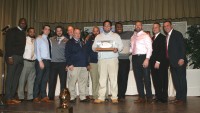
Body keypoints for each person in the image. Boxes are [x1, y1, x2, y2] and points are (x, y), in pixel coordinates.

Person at [92, 20, 123, 104]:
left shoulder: (116, 36)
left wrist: (117, 49)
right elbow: (93, 47)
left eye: (108, 25)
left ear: (111, 27)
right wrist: (96, 48)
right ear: (103, 27)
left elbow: (121, 46)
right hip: (102, 60)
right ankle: (101, 97)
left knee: (113, 79)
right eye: (105, 26)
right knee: (102, 79)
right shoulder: (98, 36)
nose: (107, 27)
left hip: (113, 60)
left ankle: (114, 97)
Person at [163, 20, 187, 104]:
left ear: (171, 26)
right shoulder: (167, 36)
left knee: (181, 81)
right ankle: (178, 97)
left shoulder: (177, 34)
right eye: (164, 26)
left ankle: (183, 99)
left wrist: (181, 58)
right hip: (172, 63)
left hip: (179, 62)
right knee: (176, 81)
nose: (166, 27)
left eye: (167, 25)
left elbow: (182, 47)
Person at [5, 18, 27, 104]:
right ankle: (7, 98)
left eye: (24, 23)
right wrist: (10, 56)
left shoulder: (23, 32)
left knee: (16, 78)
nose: (23, 24)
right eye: (22, 23)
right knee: (10, 77)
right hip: (13, 56)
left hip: (20, 58)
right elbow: (8, 43)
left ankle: (12, 96)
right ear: (19, 23)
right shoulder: (12, 30)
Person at [65, 28, 90, 103]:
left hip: (83, 65)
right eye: (76, 33)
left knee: (83, 82)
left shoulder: (82, 42)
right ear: (73, 34)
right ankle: (72, 97)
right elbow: (67, 54)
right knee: (72, 82)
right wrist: (69, 64)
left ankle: (82, 97)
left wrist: (87, 64)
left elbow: (85, 54)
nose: (78, 35)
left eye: (79, 33)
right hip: (74, 66)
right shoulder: (69, 42)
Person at [130, 21, 153, 103]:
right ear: (135, 26)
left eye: (139, 25)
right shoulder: (133, 37)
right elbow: (132, 49)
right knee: (138, 78)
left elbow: (150, 48)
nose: (138, 26)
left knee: (146, 78)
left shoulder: (146, 36)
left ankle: (149, 97)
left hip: (143, 57)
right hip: (135, 58)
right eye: (136, 25)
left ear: (142, 26)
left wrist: (147, 59)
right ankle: (141, 97)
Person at [150, 22, 169, 103]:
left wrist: (158, 61)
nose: (154, 29)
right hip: (152, 63)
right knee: (156, 80)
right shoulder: (152, 38)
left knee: (163, 80)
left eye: (156, 27)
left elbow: (162, 51)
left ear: (160, 28)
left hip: (161, 63)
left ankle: (164, 98)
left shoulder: (163, 37)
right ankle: (158, 96)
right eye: (153, 27)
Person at [48, 26, 68, 100]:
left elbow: (68, 53)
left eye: (60, 30)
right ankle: (50, 97)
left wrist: (67, 64)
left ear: (62, 31)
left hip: (63, 63)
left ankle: (63, 96)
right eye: (57, 31)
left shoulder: (66, 40)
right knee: (52, 81)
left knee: (63, 82)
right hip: (53, 63)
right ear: (55, 31)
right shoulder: (51, 39)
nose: (59, 32)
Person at [115, 22, 133, 101]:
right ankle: (118, 94)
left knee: (124, 78)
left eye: (120, 26)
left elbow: (138, 33)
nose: (119, 27)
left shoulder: (128, 34)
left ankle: (122, 95)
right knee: (117, 78)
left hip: (125, 60)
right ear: (115, 28)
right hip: (116, 60)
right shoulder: (113, 36)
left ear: (122, 27)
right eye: (117, 27)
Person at [33, 25, 52, 103]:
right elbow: (37, 50)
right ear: (42, 30)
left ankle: (44, 96)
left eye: (49, 29)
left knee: (45, 80)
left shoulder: (49, 40)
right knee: (39, 79)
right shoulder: (39, 38)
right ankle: (35, 96)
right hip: (41, 61)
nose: (47, 30)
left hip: (48, 61)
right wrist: (40, 61)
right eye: (46, 29)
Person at [18, 27, 36, 102]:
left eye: (33, 32)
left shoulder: (36, 41)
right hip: (25, 61)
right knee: (22, 80)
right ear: (28, 32)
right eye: (30, 32)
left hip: (33, 62)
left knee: (31, 80)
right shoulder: (24, 39)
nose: (32, 33)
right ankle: (21, 96)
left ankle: (30, 97)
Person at [86, 26, 100, 100]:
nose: (96, 32)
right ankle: (95, 96)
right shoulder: (89, 40)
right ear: (92, 32)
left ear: (99, 31)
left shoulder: (102, 38)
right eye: (94, 31)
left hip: (102, 62)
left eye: (97, 31)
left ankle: (104, 95)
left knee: (103, 80)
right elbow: (87, 52)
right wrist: (87, 63)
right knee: (94, 80)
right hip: (92, 62)